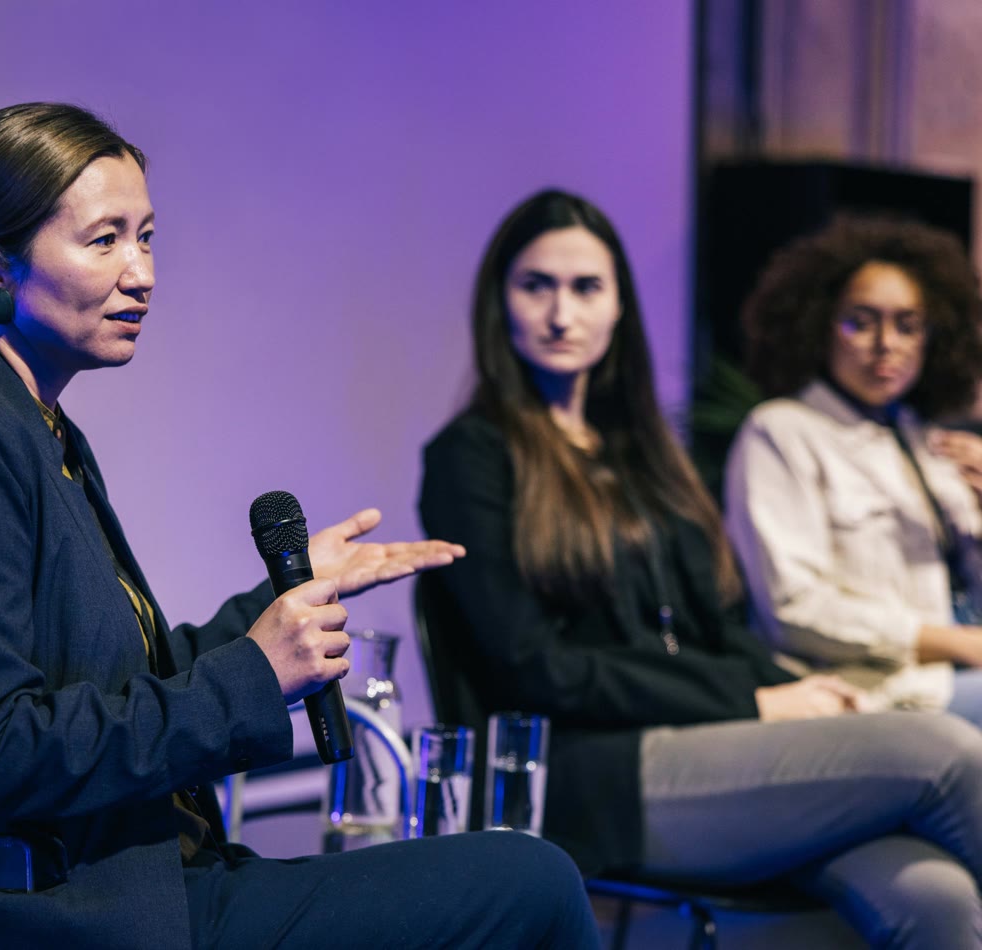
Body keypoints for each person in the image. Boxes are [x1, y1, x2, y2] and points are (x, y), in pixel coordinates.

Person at [0, 104, 597, 949]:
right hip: (82, 919)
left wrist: (281, 604)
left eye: (146, 237)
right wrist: (256, 674)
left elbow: (116, 682)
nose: (142, 273)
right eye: (104, 240)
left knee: (516, 875)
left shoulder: (32, 429)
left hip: (156, 882)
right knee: (532, 882)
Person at [419, 188, 982, 947]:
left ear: (619, 306)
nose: (561, 314)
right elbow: (533, 666)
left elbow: (715, 629)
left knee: (935, 897)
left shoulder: (644, 454)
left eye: (586, 288)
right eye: (536, 286)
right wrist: (752, 698)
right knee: (946, 750)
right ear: (500, 303)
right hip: (590, 778)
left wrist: (804, 693)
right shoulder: (470, 457)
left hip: (710, 744)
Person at [724, 215, 982, 721]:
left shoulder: (927, 441)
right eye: (859, 323)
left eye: (908, 325)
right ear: (817, 327)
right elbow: (793, 608)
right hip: (875, 691)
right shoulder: (781, 431)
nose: (887, 344)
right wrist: (952, 642)